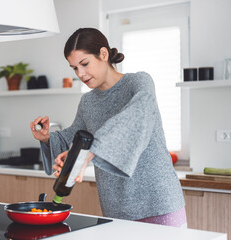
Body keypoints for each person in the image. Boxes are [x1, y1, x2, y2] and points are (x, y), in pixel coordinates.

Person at [30, 28, 187, 227]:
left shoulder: (138, 83)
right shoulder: (87, 102)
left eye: (84, 64)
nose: (80, 73)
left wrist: (91, 151)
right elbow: (75, 137)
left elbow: (137, 114)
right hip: (117, 206)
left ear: (103, 54)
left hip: (158, 200)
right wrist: (46, 138)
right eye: (74, 68)